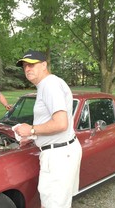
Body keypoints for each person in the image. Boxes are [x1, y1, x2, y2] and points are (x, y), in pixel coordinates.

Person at [14, 50, 82, 208]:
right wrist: (33, 136)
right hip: (61, 151)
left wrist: (31, 130)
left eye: (32, 64)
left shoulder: (49, 84)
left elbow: (60, 124)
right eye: (25, 66)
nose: (27, 69)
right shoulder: (47, 85)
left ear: (44, 65)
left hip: (58, 156)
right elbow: (49, 121)